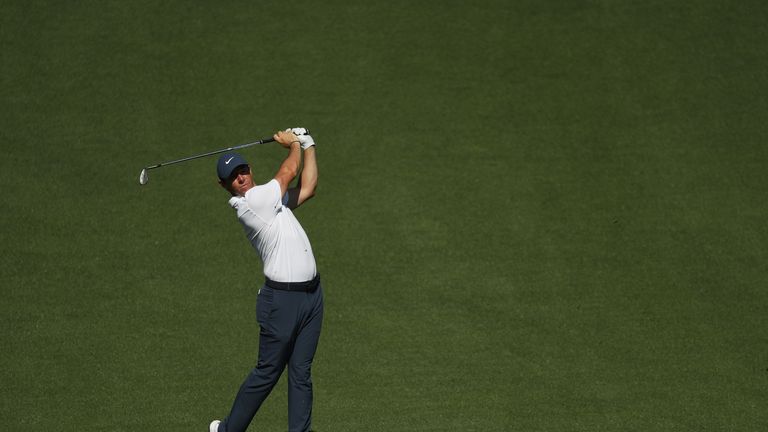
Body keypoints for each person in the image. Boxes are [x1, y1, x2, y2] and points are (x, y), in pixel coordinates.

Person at [209, 128, 323, 432]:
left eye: (243, 170)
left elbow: (308, 187)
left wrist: (308, 144)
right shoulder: (252, 202)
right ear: (225, 185)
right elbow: (289, 171)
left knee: (301, 371)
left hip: (311, 296)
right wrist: (293, 144)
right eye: (234, 176)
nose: (242, 177)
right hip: (282, 302)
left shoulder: (271, 200)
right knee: (267, 373)